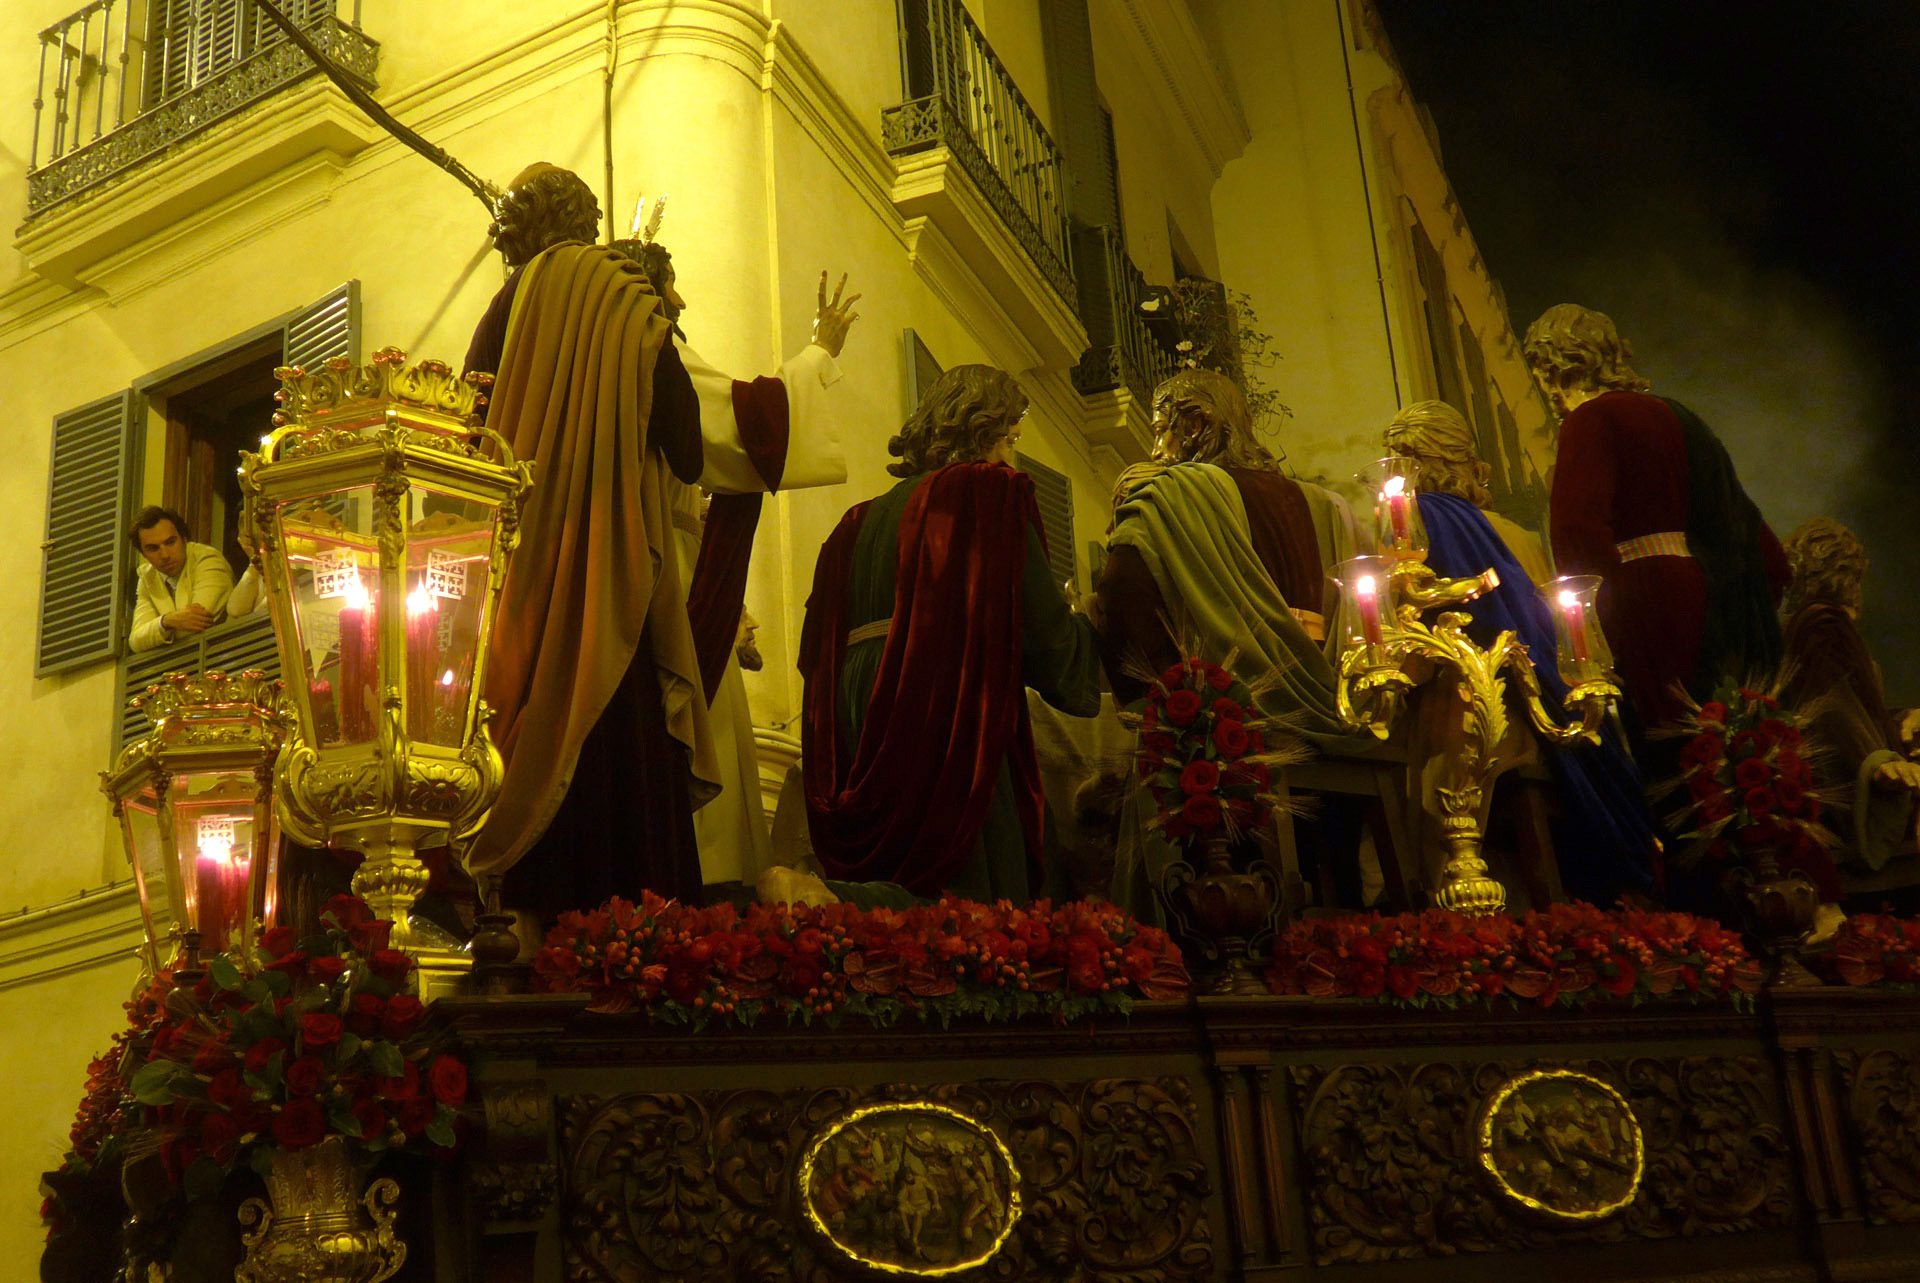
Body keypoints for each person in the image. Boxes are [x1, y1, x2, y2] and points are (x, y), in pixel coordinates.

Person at [459, 162, 857, 918]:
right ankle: (635, 956)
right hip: (607, 567)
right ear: (583, 219)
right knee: (620, 750)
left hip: (517, 577)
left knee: (522, 742)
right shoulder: (612, 289)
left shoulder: (493, 318)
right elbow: (681, 436)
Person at [799, 365, 1101, 900]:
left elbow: (814, 653)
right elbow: (1042, 634)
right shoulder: (985, 493)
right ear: (985, 432)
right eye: (1010, 438)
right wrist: (1088, 624)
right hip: (939, 700)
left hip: (853, 717)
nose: (1011, 455)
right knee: (972, 890)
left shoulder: (853, 523)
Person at [1384, 400, 1658, 904]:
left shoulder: (1410, 536)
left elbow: (1408, 650)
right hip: (1540, 714)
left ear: (1412, 464)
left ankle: (1421, 892)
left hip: (1458, 716)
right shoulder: (1522, 538)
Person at [1523, 304, 1789, 739]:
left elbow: (1577, 531)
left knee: (1658, 750)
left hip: (1642, 602)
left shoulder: (1590, 420)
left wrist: (1592, 629)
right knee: (1712, 746)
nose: (1548, 395)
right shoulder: (1683, 420)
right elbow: (1769, 557)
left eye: (1543, 377)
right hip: (1708, 602)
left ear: (1558, 370)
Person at [1092, 368, 1359, 709]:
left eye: (1160, 431)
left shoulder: (1170, 497)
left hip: (1226, 721)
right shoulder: (1326, 506)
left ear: (1194, 426)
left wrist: (1167, 694)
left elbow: (1121, 590)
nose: (1156, 451)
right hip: (1330, 703)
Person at [1779, 517, 1920, 881]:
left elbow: (1853, 708)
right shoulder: (1824, 626)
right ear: (1850, 573)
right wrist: (1877, 762)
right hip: (1841, 802)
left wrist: (1903, 717)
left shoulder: (1801, 625)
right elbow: (1832, 712)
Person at [127, 506, 233, 651]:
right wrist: (167, 621)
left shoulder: (207, 559)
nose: (165, 555)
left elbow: (196, 624)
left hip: (224, 656)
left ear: (184, 539)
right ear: (144, 554)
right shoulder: (147, 578)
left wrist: (160, 631)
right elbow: (136, 642)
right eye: (153, 548)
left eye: (170, 542)